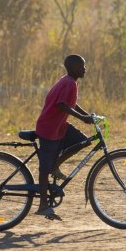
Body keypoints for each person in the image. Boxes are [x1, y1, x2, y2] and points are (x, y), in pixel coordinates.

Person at [34, 54, 93, 220]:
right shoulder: (69, 83)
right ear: (74, 68)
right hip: (49, 128)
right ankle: (43, 205)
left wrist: (87, 115)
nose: (84, 69)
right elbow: (62, 105)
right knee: (44, 169)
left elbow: (71, 104)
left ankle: (55, 165)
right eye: (82, 66)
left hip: (59, 126)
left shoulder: (68, 81)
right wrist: (82, 118)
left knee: (83, 141)